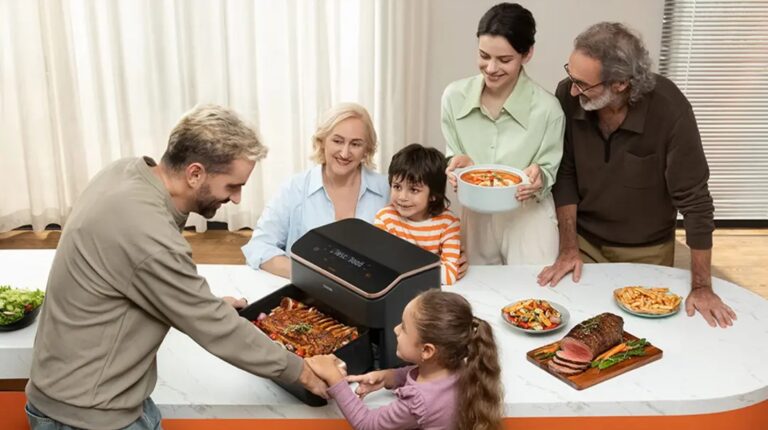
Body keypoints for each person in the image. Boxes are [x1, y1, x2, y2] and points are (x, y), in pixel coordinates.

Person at [25, 105, 327, 429]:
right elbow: (215, 327)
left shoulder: (126, 172)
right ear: (195, 173)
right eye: (232, 186)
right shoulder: (147, 231)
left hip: (96, 396)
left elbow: (135, 277)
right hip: (88, 416)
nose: (238, 199)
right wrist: (303, 371)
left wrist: (193, 303)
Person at [537, 22, 736, 328]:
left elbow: (696, 202)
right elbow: (565, 174)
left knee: (644, 336)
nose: (572, 89)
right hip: (583, 242)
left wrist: (701, 286)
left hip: (647, 251)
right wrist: (568, 247)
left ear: (620, 83)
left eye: (583, 84)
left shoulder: (670, 110)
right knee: (573, 327)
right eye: (570, 76)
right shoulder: (569, 95)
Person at [442, 2, 565, 265]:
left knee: (532, 298)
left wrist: (539, 177)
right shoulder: (454, 97)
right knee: (475, 297)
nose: (491, 68)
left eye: (504, 59)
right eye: (484, 56)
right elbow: (453, 153)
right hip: (475, 214)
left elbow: (548, 169)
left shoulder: (548, 109)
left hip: (528, 218)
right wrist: (455, 162)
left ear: (527, 54)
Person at [306, 290, 503, 430]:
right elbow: (427, 375)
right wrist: (390, 377)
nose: (395, 329)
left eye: (404, 328)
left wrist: (335, 379)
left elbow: (367, 424)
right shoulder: (461, 364)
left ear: (427, 350)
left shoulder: (419, 402)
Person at [241, 103, 389, 279]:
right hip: (307, 294)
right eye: (337, 141)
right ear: (322, 141)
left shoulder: (387, 190)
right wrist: (310, 275)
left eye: (355, 144)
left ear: (367, 149)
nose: (345, 152)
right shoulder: (294, 188)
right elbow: (259, 246)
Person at [374, 144, 461, 285]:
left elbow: (449, 276)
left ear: (433, 195)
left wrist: (402, 266)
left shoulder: (448, 223)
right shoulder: (385, 218)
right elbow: (381, 268)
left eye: (414, 190)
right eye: (397, 187)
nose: (402, 197)